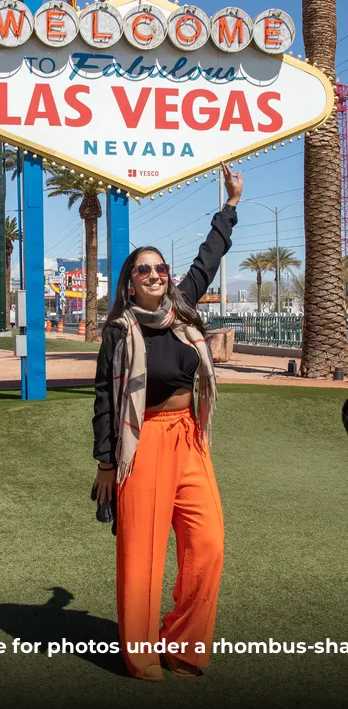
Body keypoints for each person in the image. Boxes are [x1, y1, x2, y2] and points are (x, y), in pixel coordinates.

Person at [92, 162, 242, 682]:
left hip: (190, 440)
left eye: (160, 269)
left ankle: (182, 640)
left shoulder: (183, 312)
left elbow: (208, 258)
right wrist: (107, 462)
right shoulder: (119, 331)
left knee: (209, 543)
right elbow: (105, 400)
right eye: (143, 271)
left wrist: (230, 206)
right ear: (129, 284)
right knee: (143, 553)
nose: (154, 275)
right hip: (143, 444)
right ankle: (140, 654)